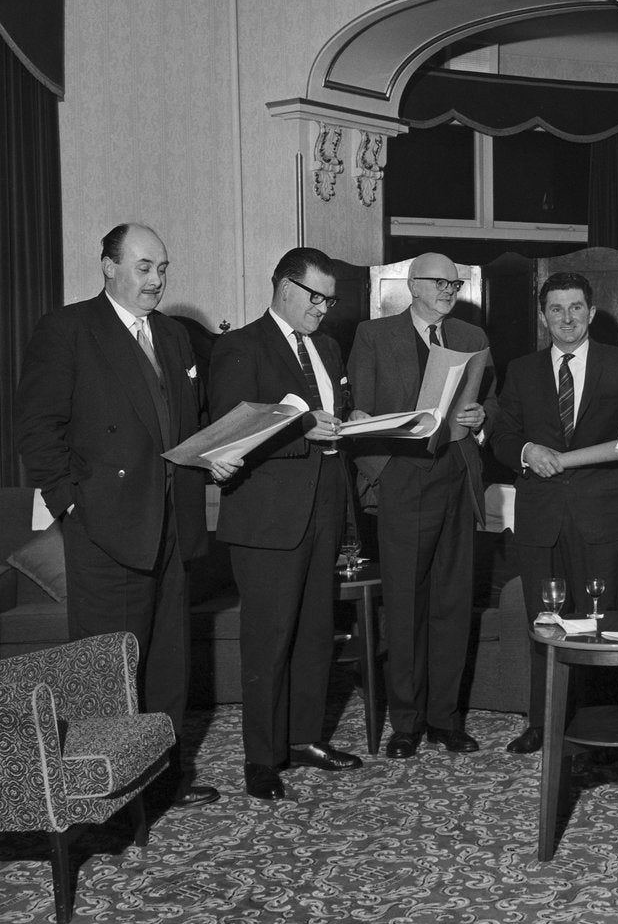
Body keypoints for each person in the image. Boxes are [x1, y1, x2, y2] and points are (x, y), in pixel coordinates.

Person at [15, 222, 232, 807]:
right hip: (105, 527)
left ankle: (162, 779)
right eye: (144, 267)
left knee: (167, 661)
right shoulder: (68, 329)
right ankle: (108, 794)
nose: (156, 280)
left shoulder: (174, 336)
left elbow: (187, 425)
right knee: (108, 666)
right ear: (109, 266)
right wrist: (71, 503)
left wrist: (215, 454)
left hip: (173, 524)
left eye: (162, 269)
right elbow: (36, 427)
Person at [209, 247, 362, 802]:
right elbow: (230, 432)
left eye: (330, 300)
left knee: (316, 632)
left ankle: (303, 740)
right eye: (316, 297)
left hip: (324, 508)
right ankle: (262, 757)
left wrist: (353, 419)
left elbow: (333, 411)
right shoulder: (240, 346)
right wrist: (303, 431)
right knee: (268, 640)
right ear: (284, 287)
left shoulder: (329, 347)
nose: (323, 308)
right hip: (267, 519)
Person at [489, 272, 618, 754]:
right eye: (556, 309)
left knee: (601, 624)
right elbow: (502, 436)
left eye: (576, 307)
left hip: (601, 516)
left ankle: (601, 724)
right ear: (543, 316)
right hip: (540, 518)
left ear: (591, 312)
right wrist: (526, 451)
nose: (567, 318)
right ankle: (542, 723)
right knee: (543, 622)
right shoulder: (522, 370)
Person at [346, 253, 491, 759]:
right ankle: (405, 724)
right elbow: (359, 413)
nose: (449, 289)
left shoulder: (472, 337)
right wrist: (382, 475)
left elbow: (490, 403)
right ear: (412, 285)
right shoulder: (373, 335)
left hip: (456, 477)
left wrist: (481, 417)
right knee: (405, 605)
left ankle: (444, 720)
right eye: (439, 281)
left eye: (455, 282)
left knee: (453, 603)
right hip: (402, 479)